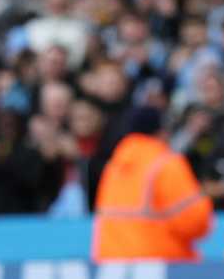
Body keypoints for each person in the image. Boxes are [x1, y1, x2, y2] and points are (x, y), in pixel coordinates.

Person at [91, 107, 212, 262]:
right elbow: (196, 222)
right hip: (159, 262)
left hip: (112, 264)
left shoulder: (114, 167)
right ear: (161, 131)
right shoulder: (166, 164)